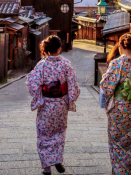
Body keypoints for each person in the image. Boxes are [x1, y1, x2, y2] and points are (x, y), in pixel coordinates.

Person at [26, 35, 80, 175]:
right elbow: (73, 85)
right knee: (59, 132)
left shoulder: (42, 65)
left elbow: (32, 82)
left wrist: (38, 95)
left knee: (44, 134)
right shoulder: (66, 64)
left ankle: (46, 167)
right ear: (59, 48)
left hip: (46, 105)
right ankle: (57, 160)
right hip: (61, 104)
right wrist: (71, 98)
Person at [100, 33, 131, 175]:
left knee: (117, 144)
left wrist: (111, 97)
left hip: (118, 109)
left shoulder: (116, 64)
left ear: (120, 46)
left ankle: (119, 172)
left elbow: (107, 86)